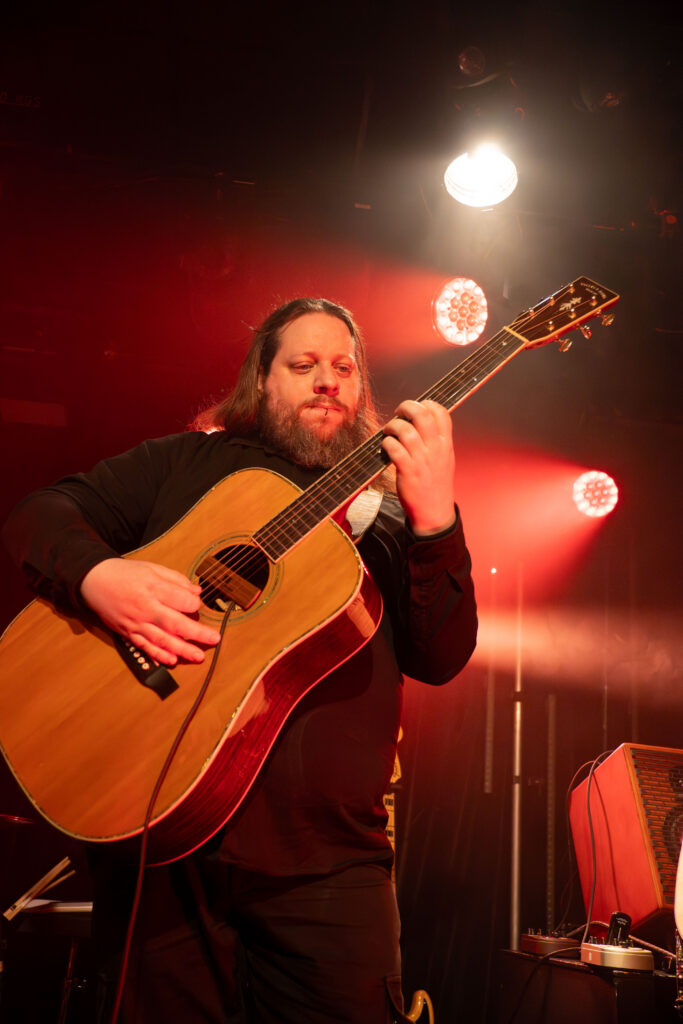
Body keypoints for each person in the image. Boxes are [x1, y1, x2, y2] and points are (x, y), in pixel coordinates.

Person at [3, 297, 477, 1023]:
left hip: (331, 863)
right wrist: (100, 578)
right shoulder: (187, 463)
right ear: (261, 379)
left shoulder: (390, 519)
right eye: (304, 364)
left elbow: (441, 657)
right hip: (165, 844)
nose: (328, 380)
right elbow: (40, 514)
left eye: (344, 367)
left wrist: (435, 518)